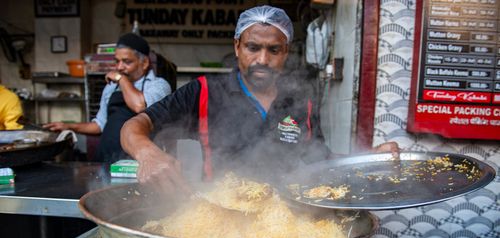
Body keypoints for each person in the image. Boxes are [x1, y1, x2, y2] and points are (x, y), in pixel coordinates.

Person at [120, 5, 399, 193]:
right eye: (253, 47)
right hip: (220, 213)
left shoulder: (302, 101)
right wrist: (147, 153)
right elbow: (134, 126)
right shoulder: (204, 91)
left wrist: (367, 160)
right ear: (237, 46)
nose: (262, 60)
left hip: (284, 218)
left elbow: (321, 161)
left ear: (286, 52)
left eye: (273, 50)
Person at [44, 33, 171, 162]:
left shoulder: (159, 85)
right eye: (117, 61)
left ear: (144, 63)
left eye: (127, 62)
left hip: (135, 161)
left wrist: (121, 79)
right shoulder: (111, 87)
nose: (119, 67)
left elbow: (139, 106)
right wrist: (69, 126)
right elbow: (100, 124)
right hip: (105, 156)